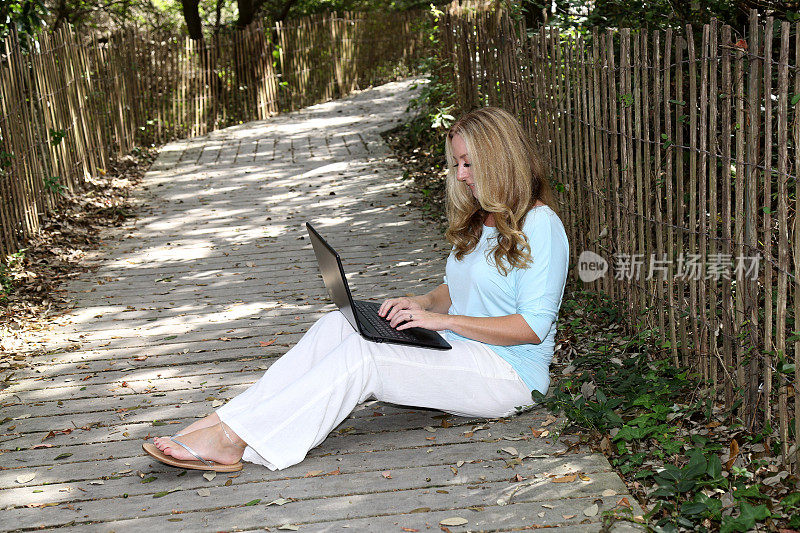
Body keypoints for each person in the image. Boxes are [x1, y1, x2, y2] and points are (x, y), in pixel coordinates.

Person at [143, 106, 570, 472]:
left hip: (509, 374)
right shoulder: (485, 219)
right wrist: (421, 303)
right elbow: (457, 287)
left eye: (468, 164)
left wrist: (441, 320)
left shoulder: (541, 225)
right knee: (338, 326)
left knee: (367, 355)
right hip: (459, 348)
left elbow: (532, 326)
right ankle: (223, 423)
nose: (459, 175)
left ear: (497, 160)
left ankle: (233, 440)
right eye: (456, 163)